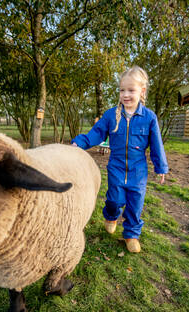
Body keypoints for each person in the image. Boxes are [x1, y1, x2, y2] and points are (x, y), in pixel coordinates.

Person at [72, 66, 168, 253]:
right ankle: (111, 216)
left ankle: (131, 234)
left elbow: (157, 144)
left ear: (142, 91)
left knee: (135, 204)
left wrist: (161, 167)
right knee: (114, 199)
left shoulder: (149, 117)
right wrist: (80, 143)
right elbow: (96, 134)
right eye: (122, 90)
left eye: (131, 90)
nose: (125, 94)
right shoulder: (110, 115)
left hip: (138, 170)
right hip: (116, 166)